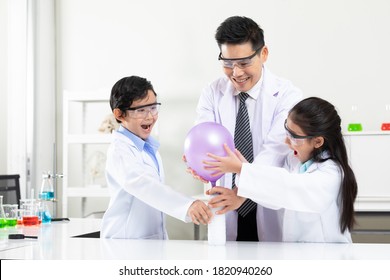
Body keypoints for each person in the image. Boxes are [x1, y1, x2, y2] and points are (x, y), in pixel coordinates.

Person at [192, 16, 302, 241]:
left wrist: (242, 194)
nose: (236, 73)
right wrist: (197, 161)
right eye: (228, 63)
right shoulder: (212, 93)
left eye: (243, 63)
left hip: (270, 202)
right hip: (225, 204)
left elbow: (275, 151)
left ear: (263, 54)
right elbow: (202, 137)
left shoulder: (287, 96)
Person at [206, 97, 358, 242]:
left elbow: (289, 187)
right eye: (286, 130)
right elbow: (275, 196)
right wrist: (246, 172)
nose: (286, 141)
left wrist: (243, 170)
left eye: (294, 136)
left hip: (328, 258)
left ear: (317, 141)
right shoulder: (295, 162)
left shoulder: (331, 173)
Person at [101, 75, 212, 239]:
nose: (150, 116)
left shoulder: (148, 148)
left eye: (153, 107)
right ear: (119, 114)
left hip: (149, 242)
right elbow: (143, 185)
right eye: (141, 110)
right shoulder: (120, 151)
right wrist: (186, 205)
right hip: (125, 243)